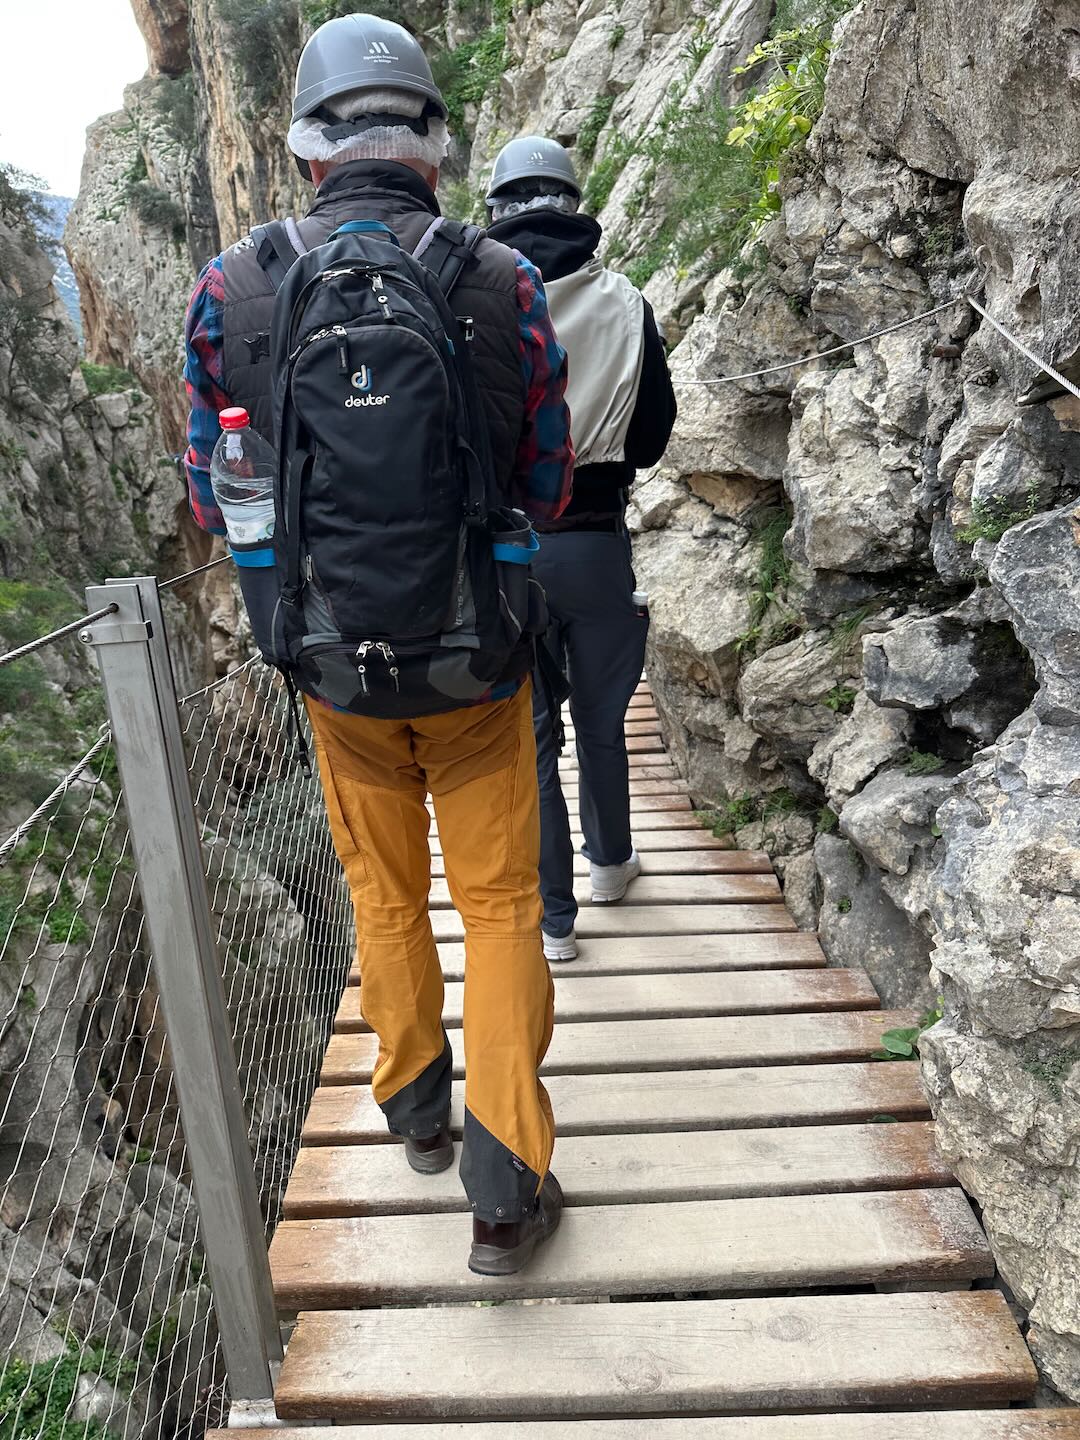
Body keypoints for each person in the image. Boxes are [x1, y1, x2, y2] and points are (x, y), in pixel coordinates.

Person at [181, 17, 574, 1276]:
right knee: (500, 905)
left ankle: (414, 1105)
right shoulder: (499, 279)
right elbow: (549, 482)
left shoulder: (233, 289)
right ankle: (505, 1191)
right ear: (432, 151)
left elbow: (211, 497)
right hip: (478, 661)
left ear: (307, 152)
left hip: (333, 664)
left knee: (383, 889)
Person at [486, 136, 677, 962]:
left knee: (531, 736)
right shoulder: (626, 302)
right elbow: (651, 438)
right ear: (573, 203)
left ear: (496, 209)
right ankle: (610, 864)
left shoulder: (478, 298)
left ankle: (555, 922)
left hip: (510, 556)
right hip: (596, 543)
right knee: (601, 721)